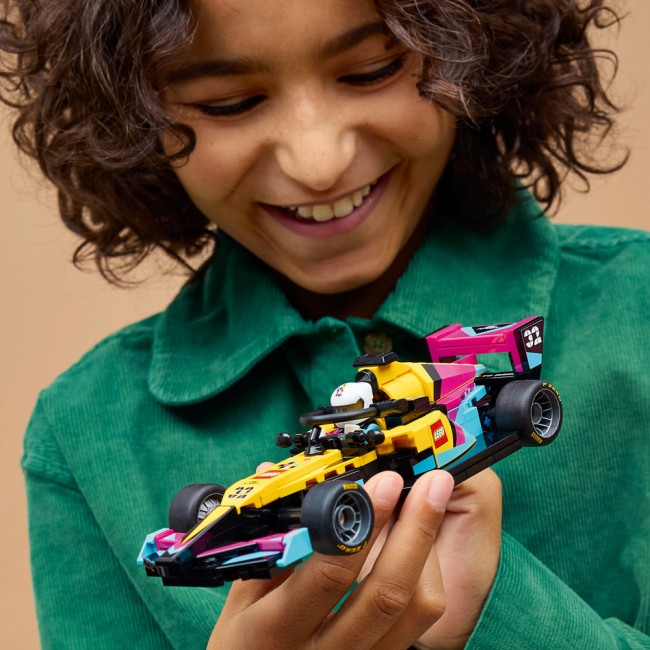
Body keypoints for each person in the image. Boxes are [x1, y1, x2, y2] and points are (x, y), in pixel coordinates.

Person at [2, 0, 648, 648]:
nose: (319, 163)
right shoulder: (81, 433)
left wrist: (496, 609)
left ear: (472, 48)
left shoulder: (633, 311)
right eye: (229, 104)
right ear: (134, 118)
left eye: (371, 71)